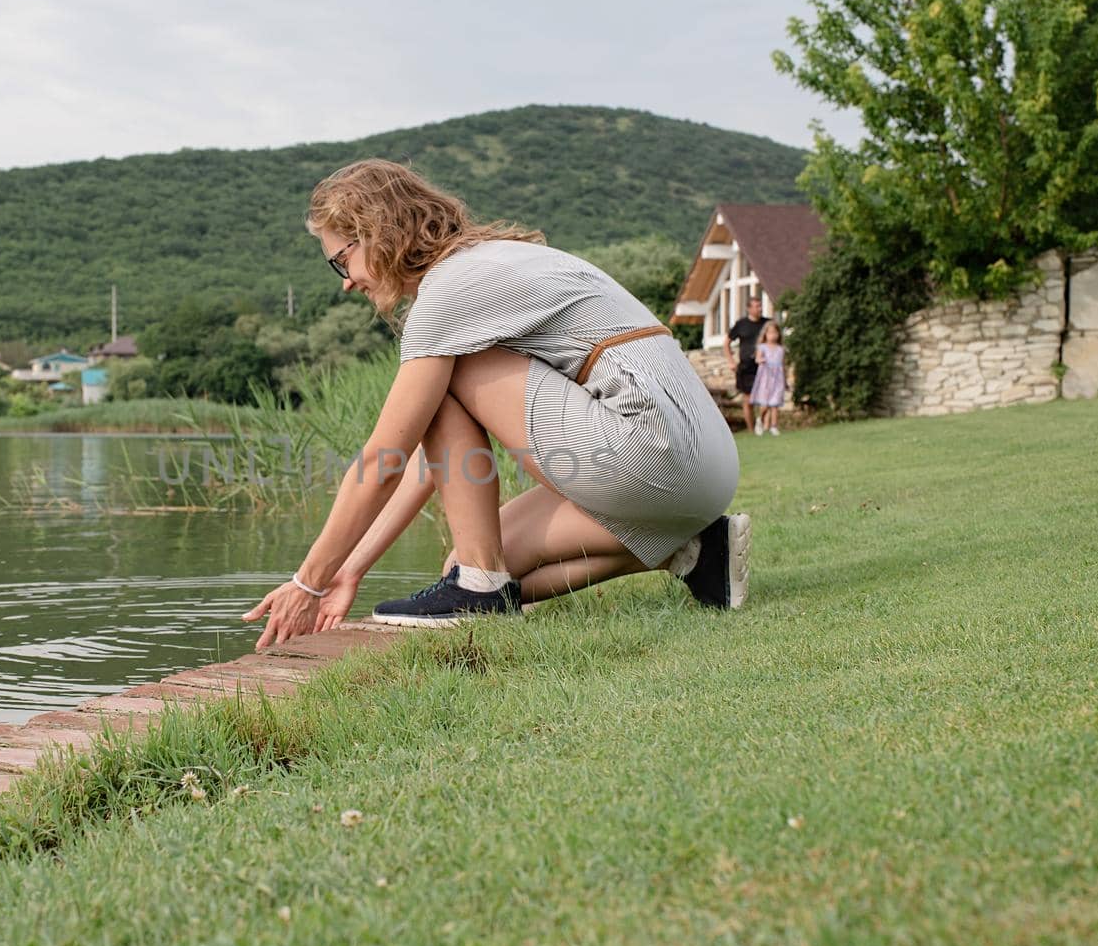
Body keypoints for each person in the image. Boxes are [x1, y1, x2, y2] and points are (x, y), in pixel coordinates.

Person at [243, 160, 750, 647]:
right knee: (466, 564)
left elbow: (383, 460)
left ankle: (482, 586)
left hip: (650, 449)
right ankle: (693, 551)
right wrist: (349, 569)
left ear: (376, 234)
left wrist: (307, 583)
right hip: (708, 467)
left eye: (341, 260)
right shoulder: (494, 259)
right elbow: (431, 457)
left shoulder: (447, 293)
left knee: (477, 566)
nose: (346, 281)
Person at [723, 296, 769, 433]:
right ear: (749, 308)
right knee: (748, 400)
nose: (759, 308)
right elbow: (726, 343)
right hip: (746, 367)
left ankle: (760, 423)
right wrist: (730, 361)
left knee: (766, 398)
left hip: (765, 366)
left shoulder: (767, 323)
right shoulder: (741, 324)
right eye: (756, 306)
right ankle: (751, 431)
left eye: (760, 305)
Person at [749, 321, 787, 436]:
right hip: (766, 378)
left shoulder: (781, 349)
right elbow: (757, 359)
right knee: (765, 404)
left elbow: (783, 365)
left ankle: (774, 426)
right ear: (765, 334)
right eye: (770, 333)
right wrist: (762, 360)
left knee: (775, 404)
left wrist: (786, 381)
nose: (773, 335)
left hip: (778, 379)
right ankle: (760, 419)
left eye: (775, 333)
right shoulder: (762, 347)